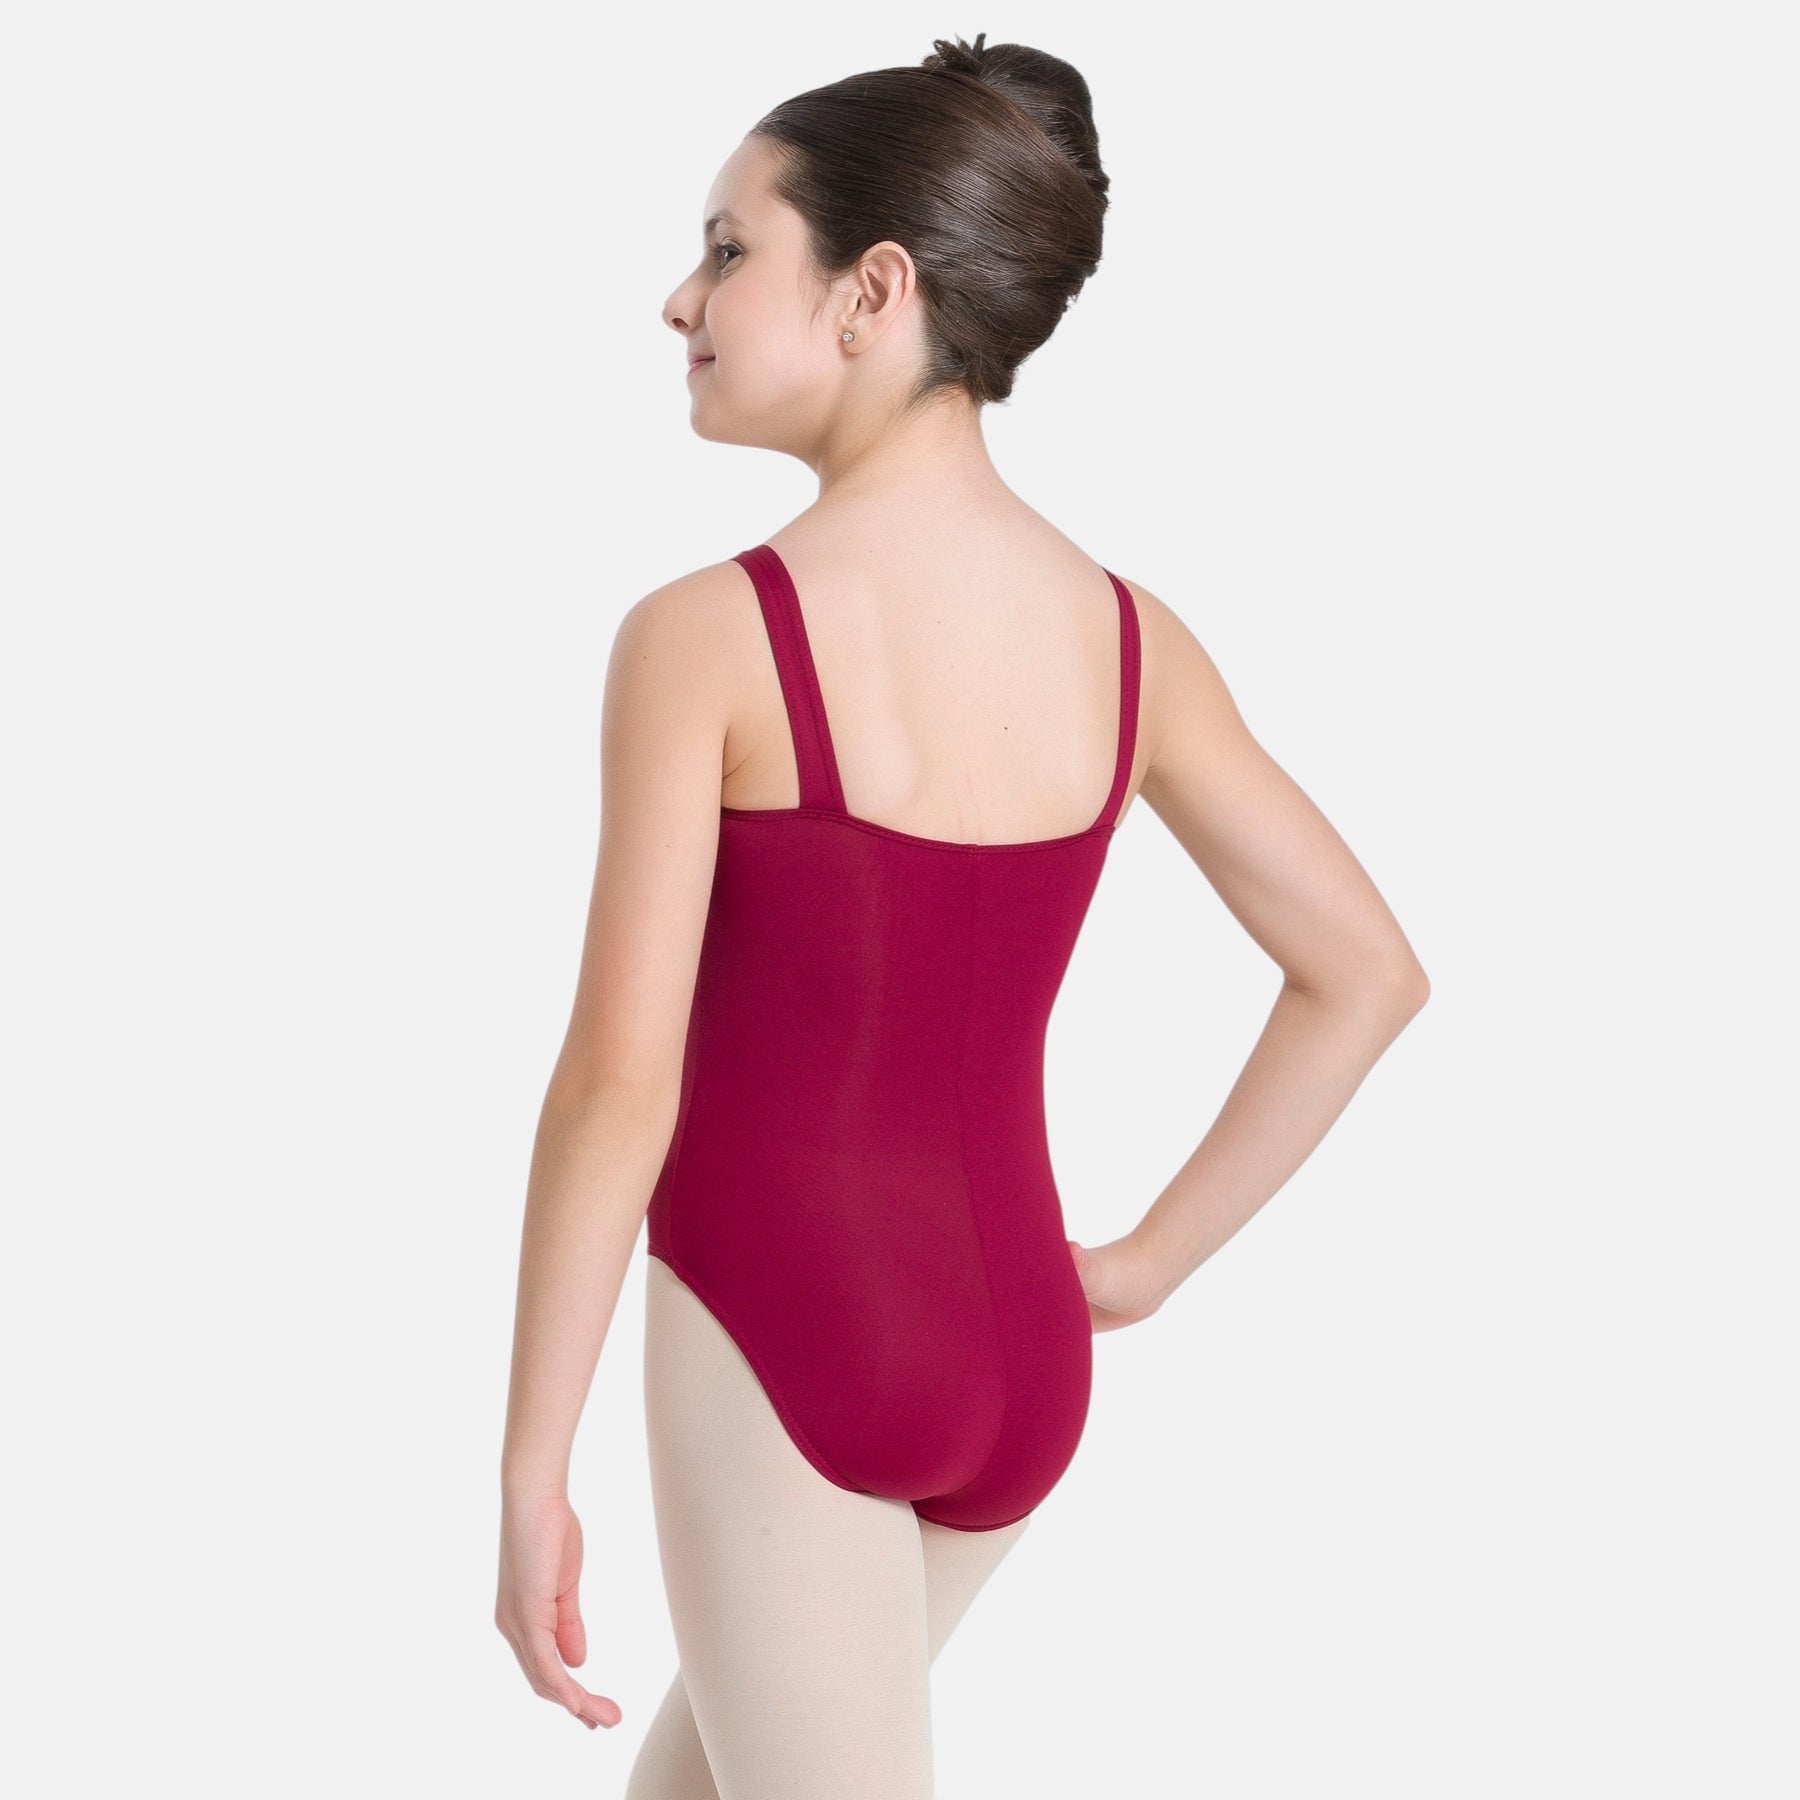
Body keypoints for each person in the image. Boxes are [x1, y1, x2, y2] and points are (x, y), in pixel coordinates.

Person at [495, 33, 1429, 1798]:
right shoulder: (1130, 640)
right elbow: (1364, 969)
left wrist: (531, 1468)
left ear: (875, 292)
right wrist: (1137, 1266)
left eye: (727, 249)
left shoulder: (707, 638)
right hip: (1021, 1348)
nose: (678, 299)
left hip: (791, 1332)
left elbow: (619, 1084)